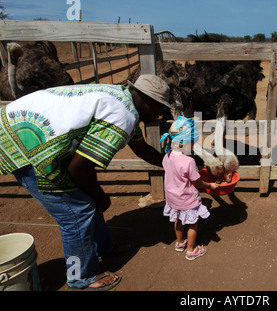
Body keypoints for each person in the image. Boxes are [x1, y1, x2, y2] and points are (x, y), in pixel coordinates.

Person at [0, 74, 172, 290]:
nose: (160, 114)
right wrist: (100, 195)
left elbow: (141, 148)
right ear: (148, 101)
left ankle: (103, 247)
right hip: (26, 144)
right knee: (76, 212)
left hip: (27, 130)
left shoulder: (123, 100)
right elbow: (78, 168)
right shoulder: (122, 117)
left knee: (87, 199)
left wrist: (174, 162)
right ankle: (80, 276)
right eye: (160, 108)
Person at [160, 116, 219, 260]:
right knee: (193, 224)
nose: (193, 146)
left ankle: (180, 243)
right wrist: (209, 185)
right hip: (186, 199)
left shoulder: (167, 155)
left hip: (172, 198)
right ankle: (191, 250)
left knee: (178, 220)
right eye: (192, 143)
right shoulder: (188, 161)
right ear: (183, 144)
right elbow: (197, 182)